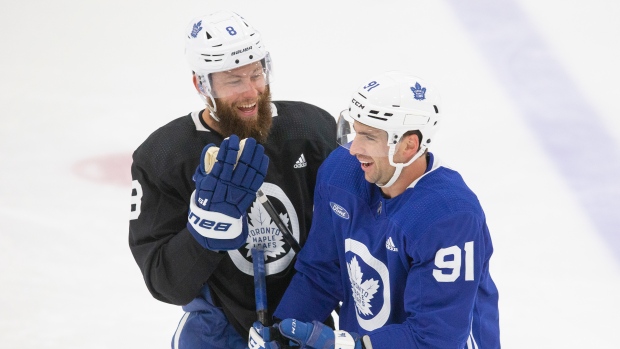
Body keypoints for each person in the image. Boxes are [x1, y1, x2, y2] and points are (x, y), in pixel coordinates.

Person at [128, 11, 337, 349]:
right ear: (202, 85)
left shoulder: (310, 131)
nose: (251, 92)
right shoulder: (164, 157)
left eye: (257, 74)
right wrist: (203, 234)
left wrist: (300, 321)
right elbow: (165, 283)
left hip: (308, 325)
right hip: (217, 334)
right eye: (234, 81)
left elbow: (351, 235)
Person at [248, 71, 500, 349]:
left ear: (408, 145)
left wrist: (349, 345)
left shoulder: (449, 216)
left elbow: (435, 339)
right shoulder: (340, 172)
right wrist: (284, 329)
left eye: (369, 137)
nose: (354, 148)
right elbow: (322, 272)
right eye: (355, 132)